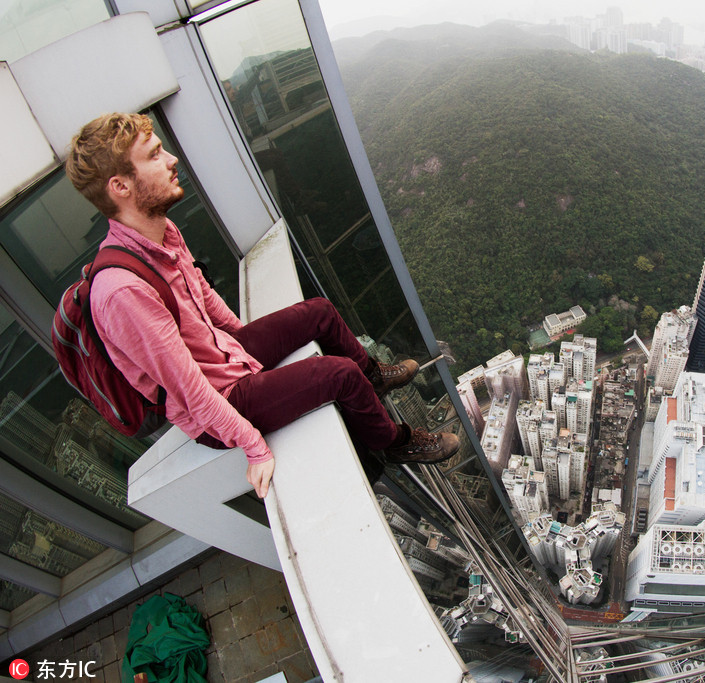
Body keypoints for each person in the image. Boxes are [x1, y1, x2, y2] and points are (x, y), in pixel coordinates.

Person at [65, 112, 459, 498]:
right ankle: (394, 442)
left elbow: (200, 292)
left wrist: (246, 339)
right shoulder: (121, 294)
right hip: (218, 400)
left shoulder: (161, 231)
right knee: (338, 375)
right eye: (153, 155)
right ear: (120, 186)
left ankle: (373, 375)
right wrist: (253, 446)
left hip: (223, 355)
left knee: (318, 311)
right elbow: (188, 390)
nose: (171, 160)